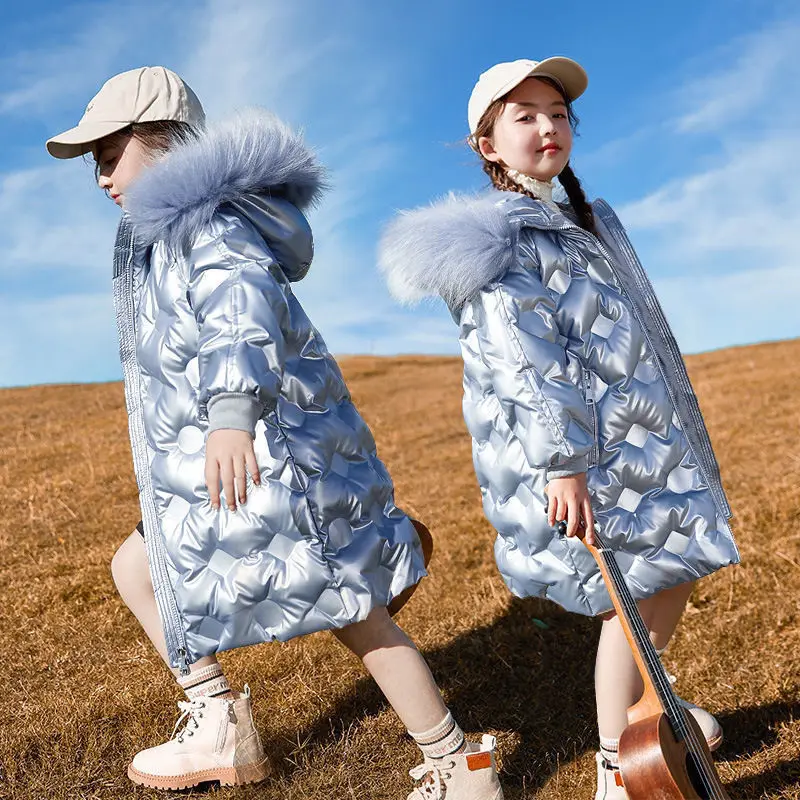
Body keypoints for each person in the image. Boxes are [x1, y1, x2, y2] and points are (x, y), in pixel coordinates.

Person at [46, 65, 503, 799]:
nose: (101, 177)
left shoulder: (210, 224)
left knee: (354, 612)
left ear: (164, 142)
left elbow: (239, 313)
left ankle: (457, 765)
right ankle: (217, 719)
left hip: (268, 457)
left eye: (108, 155)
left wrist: (231, 415)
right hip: (221, 466)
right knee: (140, 568)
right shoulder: (163, 241)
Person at [378, 57, 739, 799]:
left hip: (636, 444)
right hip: (582, 457)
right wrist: (564, 464)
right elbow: (526, 364)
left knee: (669, 573)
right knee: (632, 600)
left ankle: (650, 711)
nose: (549, 126)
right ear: (487, 145)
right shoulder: (500, 239)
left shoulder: (576, 223)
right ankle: (618, 762)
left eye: (559, 113)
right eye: (526, 116)